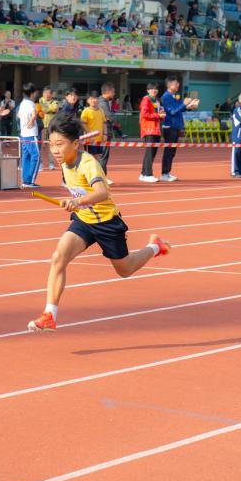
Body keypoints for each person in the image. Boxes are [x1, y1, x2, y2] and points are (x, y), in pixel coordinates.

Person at [27, 116, 172, 333]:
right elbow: (80, 191)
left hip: (107, 223)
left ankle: (155, 247)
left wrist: (77, 202)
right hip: (84, 220)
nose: (55, 150)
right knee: (58, 257)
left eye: (60, 144)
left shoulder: (88, 164)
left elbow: (102, 192)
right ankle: (50, 315)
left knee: (125, 269)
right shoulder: (65, 163)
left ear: (75, 144)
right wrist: (76, 204)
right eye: (51, 145)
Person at [158, 76, 197, 181]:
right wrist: (184, 104)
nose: (178, 85)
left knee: (172, 151)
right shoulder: (166, 97)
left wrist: (189, 107)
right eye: (176, 83)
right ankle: (164, 173)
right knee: (169, 150)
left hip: (176, 126)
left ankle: (167, 172)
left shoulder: (176, 95)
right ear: (169, 85)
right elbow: (172, 111)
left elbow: (179, 109)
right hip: (169, 126)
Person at [137, 81, 164, 183]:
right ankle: (148, 174)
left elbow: (157, 114)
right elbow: (145, 114)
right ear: (148, 90)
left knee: (151, 152)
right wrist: (158, 115)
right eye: (152, 88)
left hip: (156, 129)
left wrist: (161, 115)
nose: (154, 90)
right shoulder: (146, 100)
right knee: (150, 152)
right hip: (149, 129)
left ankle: (143, 174)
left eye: (156, 88)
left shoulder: (157, 100)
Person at [17, 82, 41, 187]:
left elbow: (18, 115)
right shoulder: (31, 103)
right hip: (31, 134)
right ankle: (30, 180)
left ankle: (25, 180)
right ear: (32, 93)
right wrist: (31, 120)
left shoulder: (22, 103)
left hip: (23, 133)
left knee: (26, 156)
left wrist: (26, 120)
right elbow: (34, 114)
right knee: (36, 156)